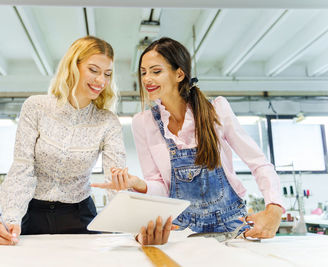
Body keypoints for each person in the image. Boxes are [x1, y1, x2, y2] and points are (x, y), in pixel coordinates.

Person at [92, 37, 283, 245]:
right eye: (143, 72)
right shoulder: (143, 123)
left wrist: (274, 208)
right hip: (181, 229)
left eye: (156, 71)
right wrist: (138, 184)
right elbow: (162, 188)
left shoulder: (216, 109)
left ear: (179, 74)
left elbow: (259, 163)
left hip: (232, 225)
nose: (147, 79)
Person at [0, 36, 125, 245]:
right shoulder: (36, 107)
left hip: (80, 216)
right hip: (31, 214)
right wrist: (10, 218)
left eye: (107, 74)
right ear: (73, 66)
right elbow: (22, 168)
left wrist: (130, 226)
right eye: (93, 70)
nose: (101, 81)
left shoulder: (107, 122)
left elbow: (116, 181)